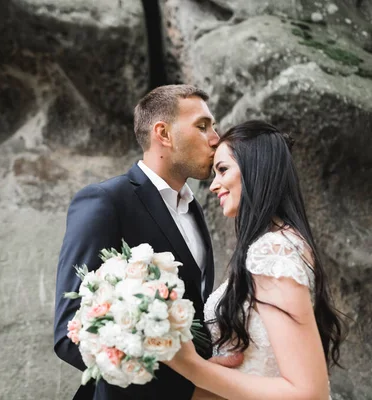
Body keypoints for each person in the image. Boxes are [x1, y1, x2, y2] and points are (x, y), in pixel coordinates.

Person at [54, 84, 225, 400]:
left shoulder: (194, 210)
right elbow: (70, 333)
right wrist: (188, 392)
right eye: (203, 126)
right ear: (164, 133)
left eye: (213, 127)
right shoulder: (106, 202)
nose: (216, 138)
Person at [164, 120, 346, 400]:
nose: (213, 186)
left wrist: (190, 366)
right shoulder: (282, 242)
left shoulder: (273, 250)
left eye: (223, 169)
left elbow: (309, 392)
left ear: (255, 168)